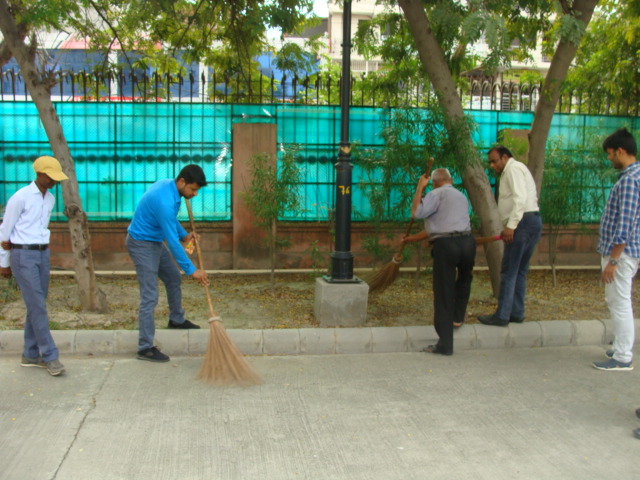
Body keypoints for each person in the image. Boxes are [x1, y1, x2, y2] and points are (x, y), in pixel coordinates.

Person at [127, 164, 210, 363]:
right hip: (141, 244)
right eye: (193, 189)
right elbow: (171, 241)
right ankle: (145, 347)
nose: (195, 194)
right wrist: (191, 270)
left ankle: (176, 319)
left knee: (173, 277)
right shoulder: (164, 199)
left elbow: (170, 222)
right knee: (150, 296)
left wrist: (185, 235)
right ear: (182, 181)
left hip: (154, 241)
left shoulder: (170, 189)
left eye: (197, 190)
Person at [0, 156, 69, 376]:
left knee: (36, 303)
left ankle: (30, 354)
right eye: (51, 178)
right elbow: (5, 232)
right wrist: (4, 262)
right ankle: (50, 355)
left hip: (42, 253)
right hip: (22, 254)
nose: (55, 183)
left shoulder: (49, 199)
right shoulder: (20, 198)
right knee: (37, 305)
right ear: (40, 174)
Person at [401, 168, 476, 355]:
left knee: (444, 292)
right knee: (465, 280)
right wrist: (411, 239)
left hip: (446, 246)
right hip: (467, 242)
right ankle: (458, 317)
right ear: (450, 179)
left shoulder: (435, 193)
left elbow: (416, 213)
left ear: (434, 182)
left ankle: (445, 344)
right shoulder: (460, 196)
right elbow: (441, 225)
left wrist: (420, 187)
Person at [478, 146, 542, 326]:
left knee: (508, 271)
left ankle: (502, 315)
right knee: (519, 271)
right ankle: (516, 312)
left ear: (505, 157)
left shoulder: (513, 169)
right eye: (490, 162)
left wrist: (511, 226)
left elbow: (520, 198)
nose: (492, 165)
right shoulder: (515, 169)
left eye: (494, 161)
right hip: (531, 221)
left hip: (522, 223)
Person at [593, 128, 640, 371]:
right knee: (618, 300)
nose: (609, 158)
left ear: (621, 151)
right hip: (625, 252)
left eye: (611, 154)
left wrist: (614, 260)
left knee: (619, 302)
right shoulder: (632, 176)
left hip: (621, 253)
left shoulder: (630, 180)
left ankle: (622, 357)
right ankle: (621, 347)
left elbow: (626, 223)